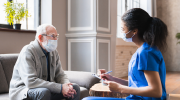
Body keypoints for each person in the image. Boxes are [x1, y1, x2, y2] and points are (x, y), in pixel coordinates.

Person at [83, 8, 168, 100]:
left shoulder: (146, 53)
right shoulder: (145, 50)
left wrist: (120, 89)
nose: (122, 32)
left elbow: (156, 91)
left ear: (134, 31)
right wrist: (112, 79)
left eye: (123, 29)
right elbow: (137, 84)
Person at [9, 24, 80, 100]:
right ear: (40, 38)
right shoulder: (28, 51)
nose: (56, 39)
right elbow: (30, 81)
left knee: (74, 88)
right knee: (44, 92)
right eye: (52, 36)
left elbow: (60, 75)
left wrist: (67, 86)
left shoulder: (53, 52)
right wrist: (60, 88)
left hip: (46, 89)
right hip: (24, 90)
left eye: (56, 36)